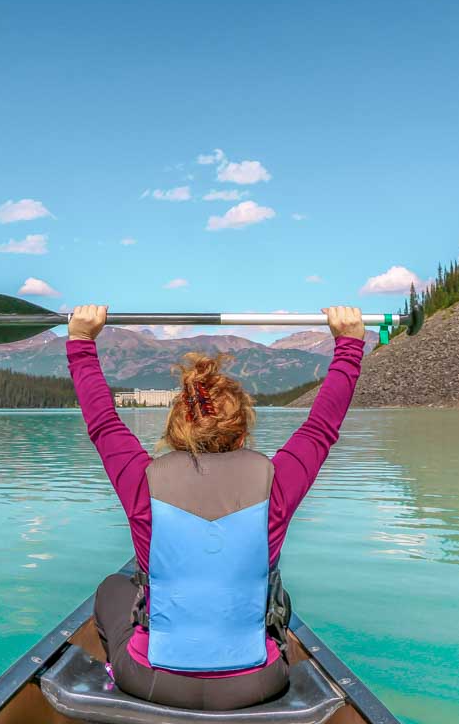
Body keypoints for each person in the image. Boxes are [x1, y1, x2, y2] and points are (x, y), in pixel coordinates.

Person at [66, 304, 367, 710]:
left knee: (113, 588)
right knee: (279, 595)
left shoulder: (142, 480)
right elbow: (321, 427)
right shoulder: (276, 481)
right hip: (258, 683)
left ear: (175, 430)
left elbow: (102, 423)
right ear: (242, 430)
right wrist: (349, 343)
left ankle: (118, 677)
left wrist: (81, 341)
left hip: (151, 681)